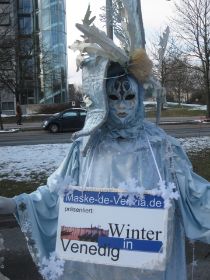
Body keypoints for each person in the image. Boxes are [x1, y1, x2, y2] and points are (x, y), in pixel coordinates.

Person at [1, 3, 210, 280]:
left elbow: (197, 198)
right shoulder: (85, 149)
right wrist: (15, 205)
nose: (122, 107)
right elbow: (54, 196)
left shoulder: (164, 149)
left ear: (139, 98)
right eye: (113, 98)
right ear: (101, 99)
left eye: (129, 97)